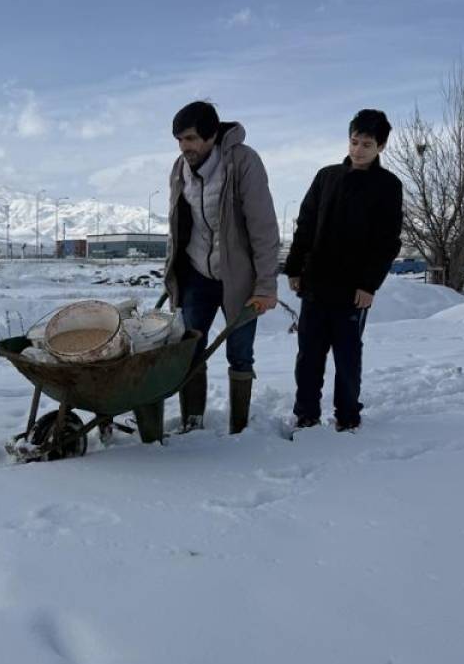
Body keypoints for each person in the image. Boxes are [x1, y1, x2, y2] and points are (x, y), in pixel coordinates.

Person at [283, 108, 403, 432]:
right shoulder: (327, 177)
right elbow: (305, 225)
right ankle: (306, 413)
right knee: (309, 355)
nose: (358, 150)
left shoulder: (388, 186)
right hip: (316, 284)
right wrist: (294, 267)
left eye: (366, 144)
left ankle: (348, 417)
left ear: (380, 147)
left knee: (348, 358)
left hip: (353, 291)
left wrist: (369, 285)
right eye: (354, 141)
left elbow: (387, 242)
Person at [164, 101, 279, 434]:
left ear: (211, 135)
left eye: (190, 139)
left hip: (239, 278)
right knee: (191, 349)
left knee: (240, 352)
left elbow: (263, 228)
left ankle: (239, 426)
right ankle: (192, 420)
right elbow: (177, 227)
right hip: (197, 275)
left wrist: (266, 286)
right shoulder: (179, 169)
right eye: (179, 140)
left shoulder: (243, 162)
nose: (185, 147)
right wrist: (172, 275)